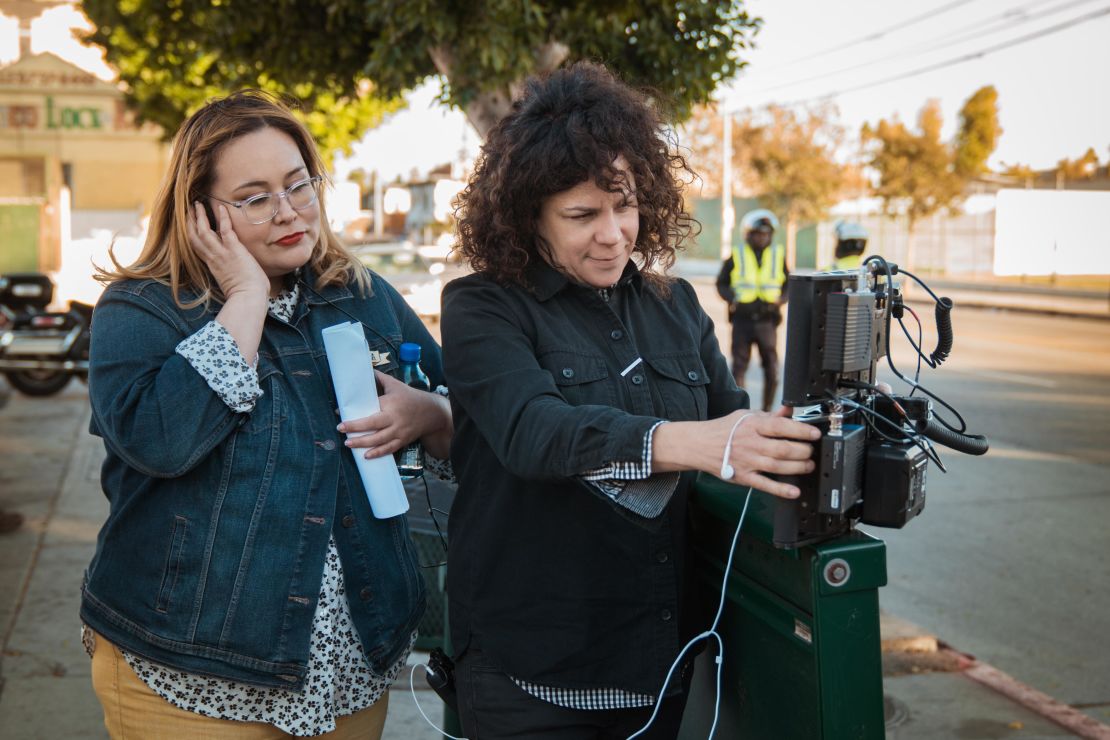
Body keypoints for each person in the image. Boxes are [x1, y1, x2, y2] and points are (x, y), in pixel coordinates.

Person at [442, 62, 820, 739]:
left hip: (660, 663)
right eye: (582, 215)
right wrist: (683, 442)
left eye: (625, 206)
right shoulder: (482, 307)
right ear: (530, 218)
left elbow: (731, 420)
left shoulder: (675, 305)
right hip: (531, 679)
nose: (613, 233)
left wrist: (790, 434)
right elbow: (535, 431)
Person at [81, 90, 452, 739]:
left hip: (350, 669)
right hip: (191, 677)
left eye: (297, 185)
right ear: (198, 212)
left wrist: (432, 413)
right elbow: (162, 442)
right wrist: (246, 294)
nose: (288, 212)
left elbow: (470, 416)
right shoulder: (140, 310)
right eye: (254, 197)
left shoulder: (360, 294)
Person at [715, 208, 788, 411]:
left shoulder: (777, 255)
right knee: (738, 368)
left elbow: (789, 283)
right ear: (748, 235)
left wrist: (781, 300)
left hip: (767, 321)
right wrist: (733, 299)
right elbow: (721, 283)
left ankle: (767, 411)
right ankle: (741, 412)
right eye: (758, 234)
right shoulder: (737, 255)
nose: (762, 238)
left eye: (766, 234)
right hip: (742, 320)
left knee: (772, 369)